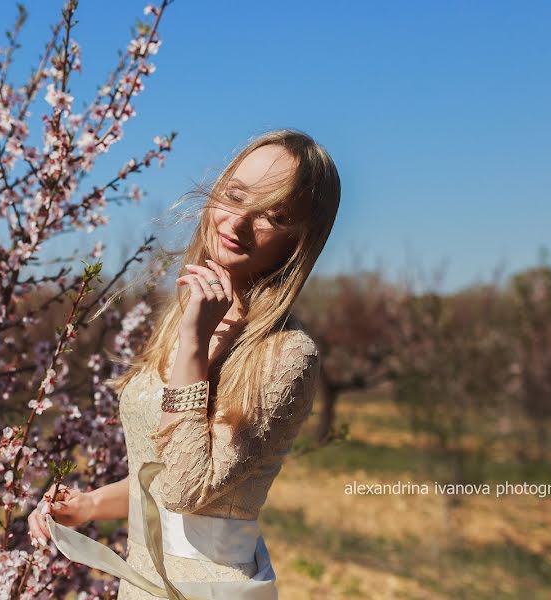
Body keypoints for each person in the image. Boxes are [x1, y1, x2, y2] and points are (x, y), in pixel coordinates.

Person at [27, 128, 341, 599]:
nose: (236, 224)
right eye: (234, 197)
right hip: (144, 583)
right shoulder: (184, 316)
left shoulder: (287, 354)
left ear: (302, 238)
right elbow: (164, 471)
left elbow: (186, 489)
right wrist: (89, 503)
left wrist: (195, 345)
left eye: (273, 216)